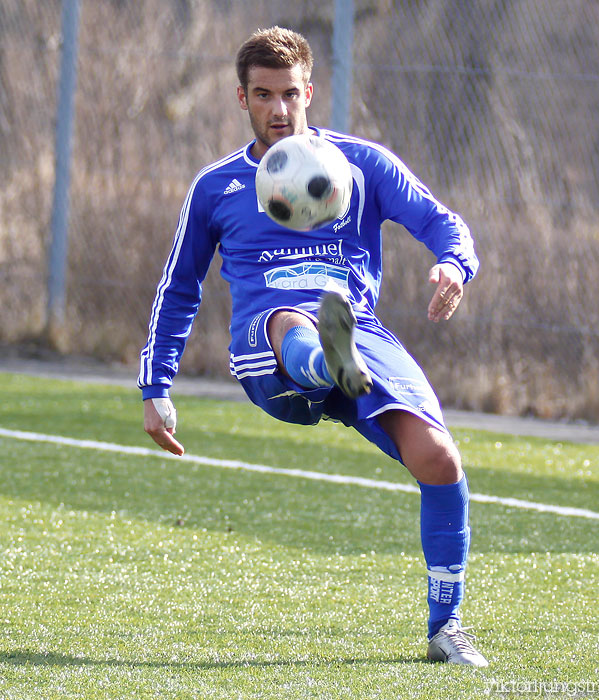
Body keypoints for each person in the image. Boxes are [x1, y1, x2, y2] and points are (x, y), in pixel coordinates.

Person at [138, 26, 487, 666]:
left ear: (310, 92)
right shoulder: (217, 186)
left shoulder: (363, 165)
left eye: (290, 94)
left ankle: (446, 627)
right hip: (267, 348)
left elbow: (442, 222)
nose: (278, 110)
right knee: (288, 316)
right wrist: (155, 386)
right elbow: (179, 287)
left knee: (439, 459)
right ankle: (320, 359)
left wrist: (453, 266)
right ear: (241, 98)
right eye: (263, 95)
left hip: (357, 328)